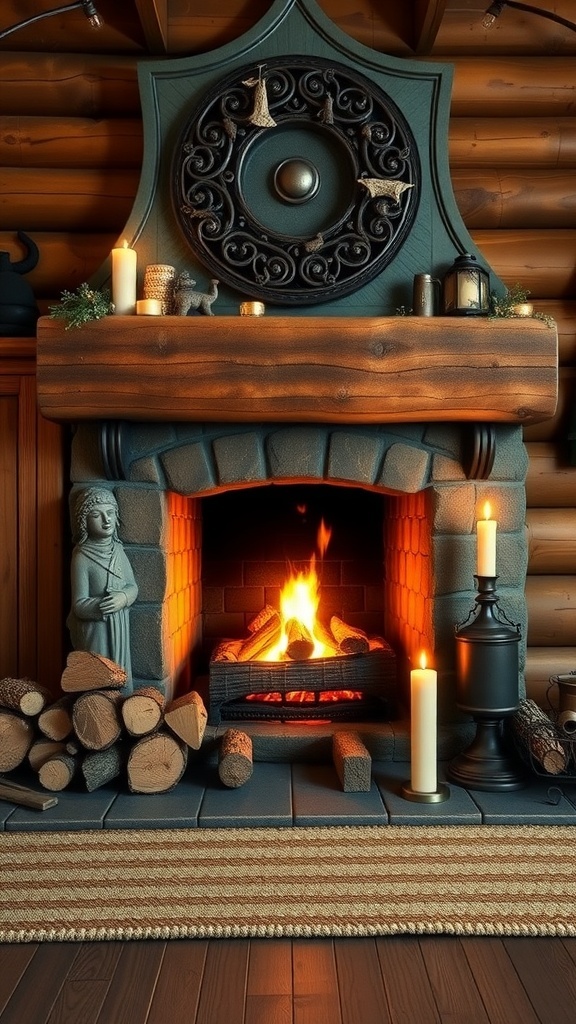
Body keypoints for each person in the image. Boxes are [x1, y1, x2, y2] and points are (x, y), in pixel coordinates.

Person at [67, 486, 138, 687]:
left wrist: (123, 598)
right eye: (97, 515)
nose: (106, 520)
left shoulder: (118, 551)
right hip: (97, 630)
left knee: (120, 671)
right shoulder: (82, 557)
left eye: (110, 513)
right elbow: (78, 605)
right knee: (99, 674)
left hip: (120, 625)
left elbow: (132, 586)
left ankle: (125, 709)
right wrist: (101, 606)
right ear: (84, 522)